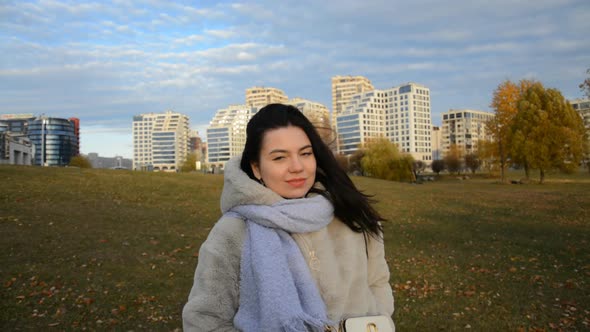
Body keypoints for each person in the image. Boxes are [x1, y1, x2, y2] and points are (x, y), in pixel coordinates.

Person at [182, 104, 394, 331]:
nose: (297, 167)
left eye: (305, 153)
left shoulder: (349, 211)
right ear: (256, 167)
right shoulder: (233, 232)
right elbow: (204, 321)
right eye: (279, 158)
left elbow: (377, 282)